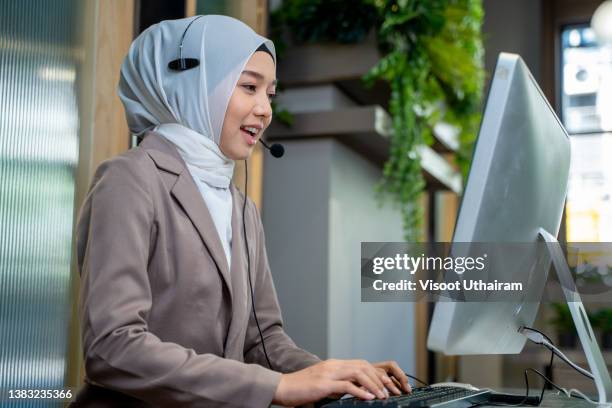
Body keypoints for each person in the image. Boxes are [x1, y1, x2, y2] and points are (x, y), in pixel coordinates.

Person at [72, 15, 411, 407]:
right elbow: (112, 347)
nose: (264, 109)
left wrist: (337, 377)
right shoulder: (130, 179)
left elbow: (262, 340)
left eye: (270, 94)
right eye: (249, 87)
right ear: (192, 85)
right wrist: (278, 388)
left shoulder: (240, 205)